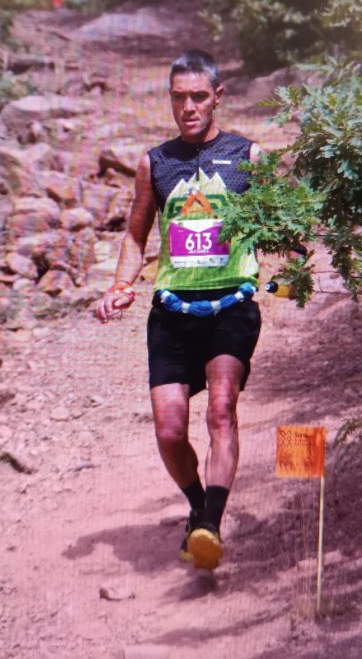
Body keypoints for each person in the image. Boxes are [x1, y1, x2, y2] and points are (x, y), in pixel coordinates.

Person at [95, 50, 262, 572]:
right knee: (169, 430)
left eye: (198, 96)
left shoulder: (248, 156)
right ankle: (197, 508)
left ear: (217, 97)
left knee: (220, 409)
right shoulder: (154, 163)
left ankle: (211, 524)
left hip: (230, 306)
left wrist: (297, 257)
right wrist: (121, 283)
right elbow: (134, 231)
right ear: (170, 99)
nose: (188, 107)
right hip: (171, 310)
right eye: (178, 97)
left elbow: (281, 217)